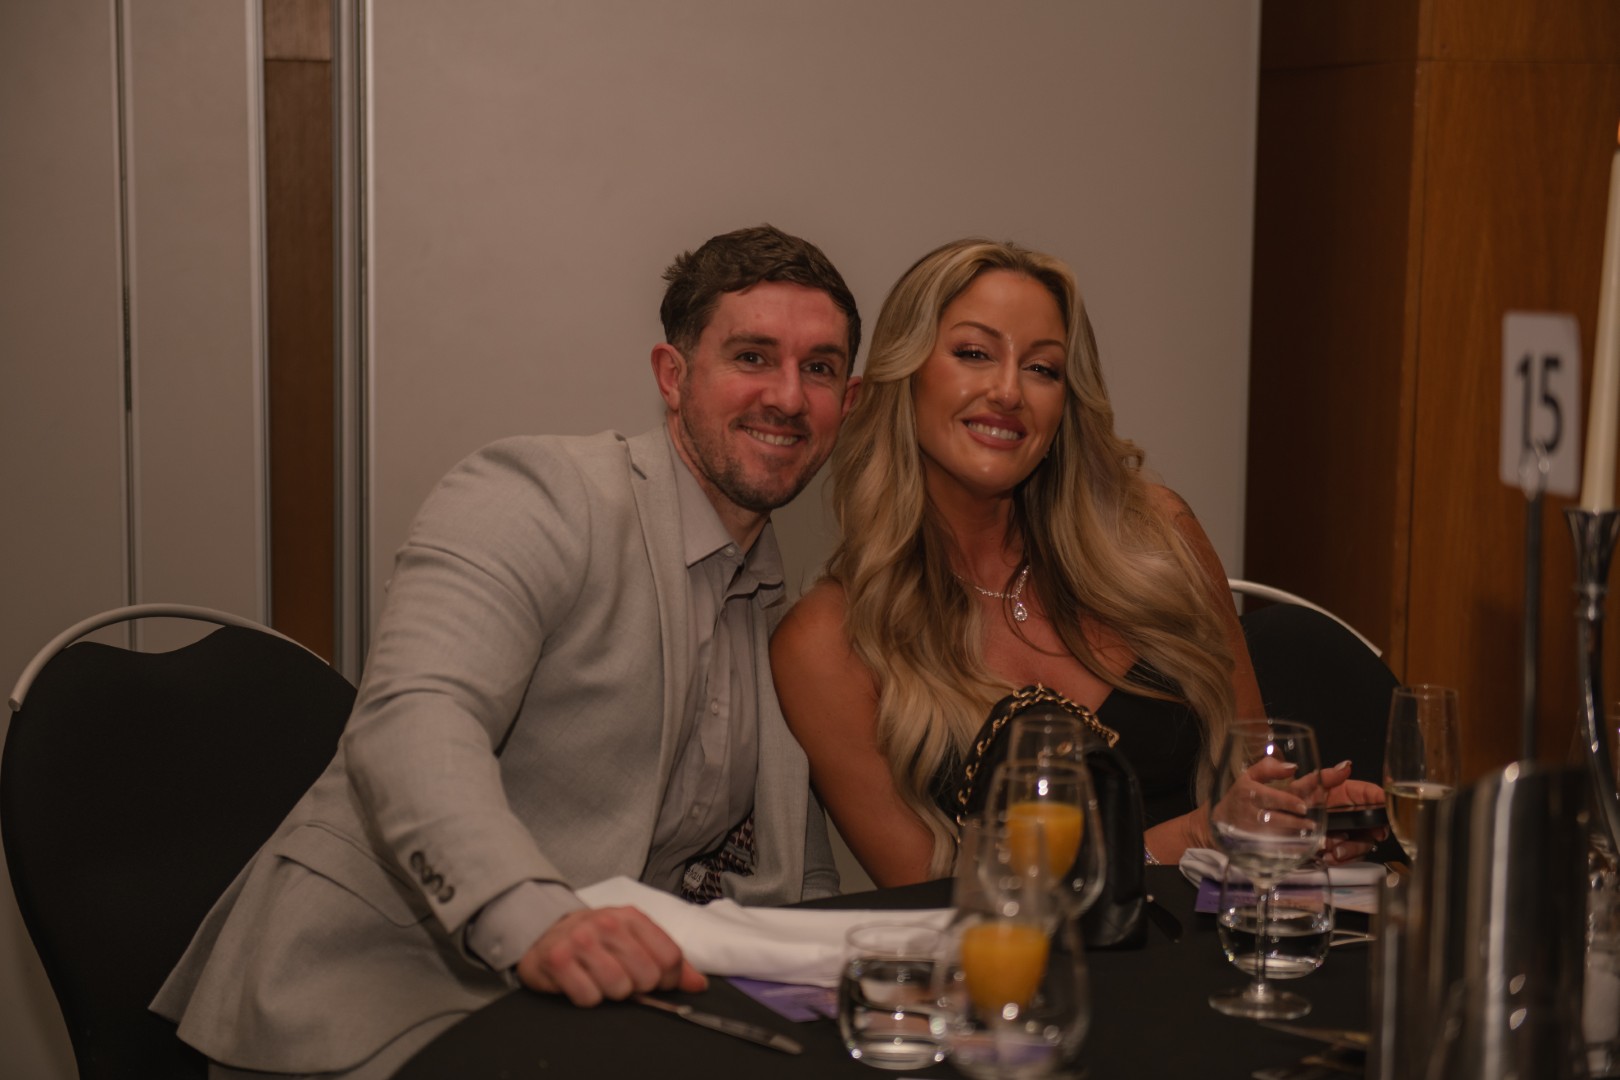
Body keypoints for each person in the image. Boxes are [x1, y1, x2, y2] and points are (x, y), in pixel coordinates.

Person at [153, 224, 861, 1079]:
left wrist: (848, 981)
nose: (788, 397)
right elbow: (413, 722)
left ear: (847, 402)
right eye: (752, 357)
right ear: (673, 377)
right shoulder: (539, 495)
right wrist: (536, 921)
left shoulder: (778, 605)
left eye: (820, 369)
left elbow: (797, 871)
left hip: (597, 1023)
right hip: (378, 998)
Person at [770, 238, 1382, 887]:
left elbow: (1253, 784)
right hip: (1017, 953)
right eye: (974, 353)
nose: (1009, 391)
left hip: (1221, 938)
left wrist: (1298, 824)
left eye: (1043, 368)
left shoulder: (1156, 535)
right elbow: (927, 901)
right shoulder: (827, 643)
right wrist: (1191, 837)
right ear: (905, 374)